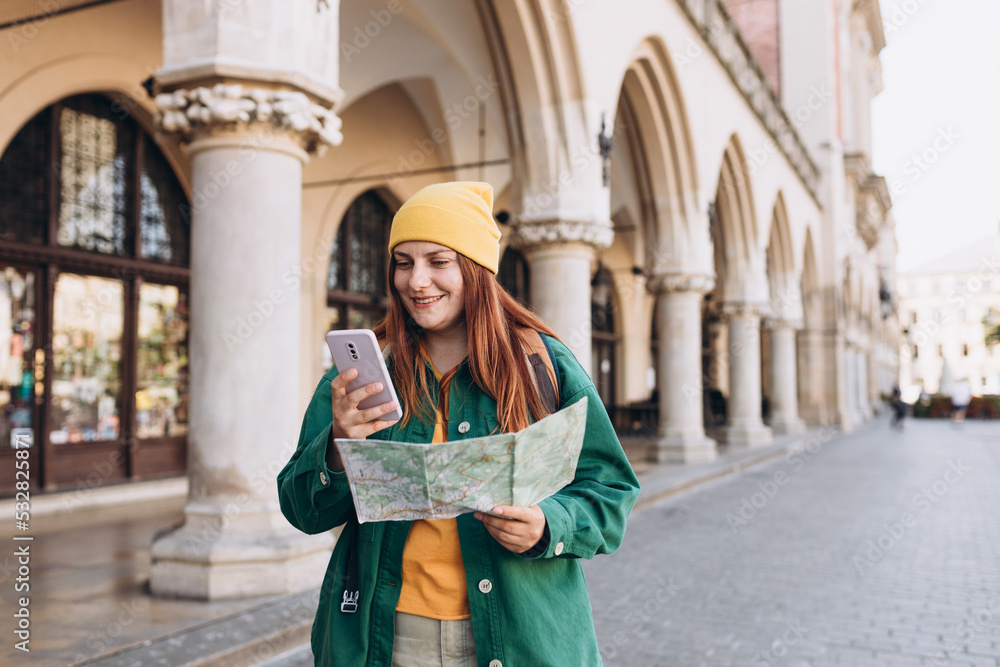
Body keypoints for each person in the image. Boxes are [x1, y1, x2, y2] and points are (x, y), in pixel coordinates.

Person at [277, 181, 640, 666]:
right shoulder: (361, 375)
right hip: (387, 640)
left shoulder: (544, 365)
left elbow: (611, 489)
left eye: (438, 261)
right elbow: (304, 511)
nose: (417, 280)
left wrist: (549, 525)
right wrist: (339, 442)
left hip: (520, 640)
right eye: (403, 263)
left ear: (476, 269)